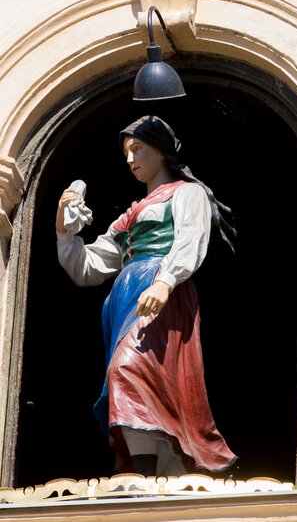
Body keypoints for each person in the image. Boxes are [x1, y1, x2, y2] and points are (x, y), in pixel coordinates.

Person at [55, 116, 237, 477]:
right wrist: (64, 230)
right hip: (125, 296)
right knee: (131, 380)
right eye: (126, 152)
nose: (130, 158)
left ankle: (146, 470)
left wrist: (165, 282)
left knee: (130, 369)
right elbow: (86, 268)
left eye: (138, 148)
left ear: (162, 150)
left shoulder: (187, 193)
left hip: (161, 293)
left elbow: (191, 240)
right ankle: (152, 470)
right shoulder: (130, 215)